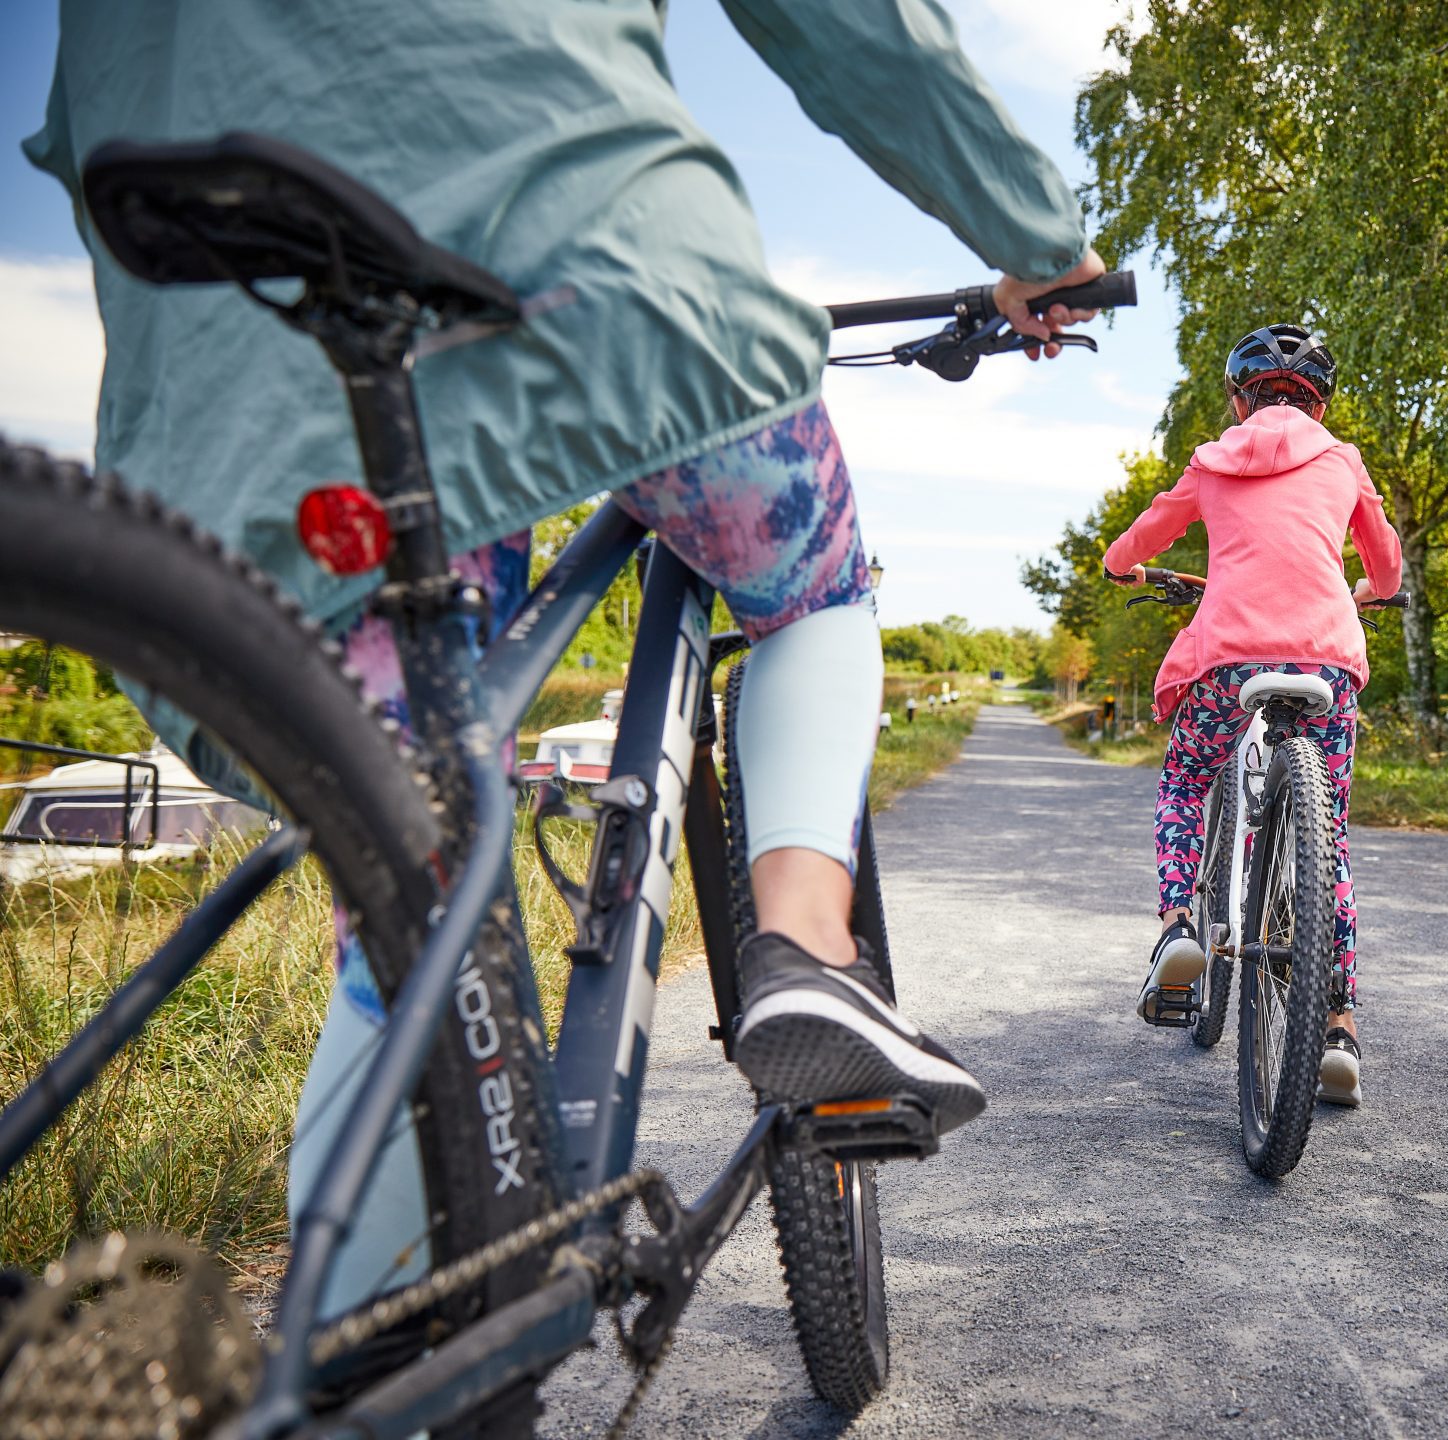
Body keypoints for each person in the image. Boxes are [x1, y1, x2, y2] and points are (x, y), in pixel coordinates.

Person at [28, 0, 1103, 1307]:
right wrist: (1038, 241)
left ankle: (335, 1373)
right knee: (816, 584)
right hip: (607, 282)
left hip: (247, 377)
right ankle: (805, 948)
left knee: (404, 904)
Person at [1102, 324, 1402, 1107]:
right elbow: (1387, 566)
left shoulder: (1211, 461)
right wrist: (1365, 589)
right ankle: (1338, 1027)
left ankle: (1178, 927)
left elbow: (1133, 543)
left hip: (1229, 655)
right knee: (1328, 836)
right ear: (1320, 404)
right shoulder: (1343, 461)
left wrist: (1124, 566)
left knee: (1184, 779)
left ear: (1240, 399)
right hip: (1327, 660)